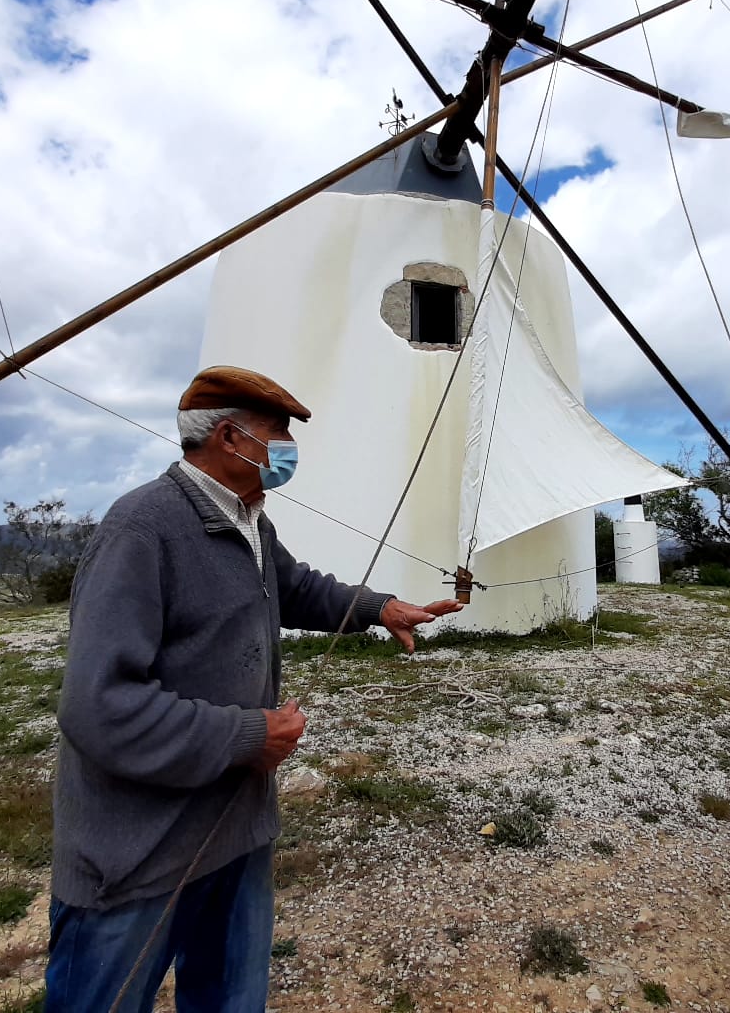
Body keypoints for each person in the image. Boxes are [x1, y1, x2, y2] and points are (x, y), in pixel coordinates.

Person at [46, 365, 461, 1013]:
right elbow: (98, 706)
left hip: (236, 836)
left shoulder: (250, 522)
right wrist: (246, 735)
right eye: (278, 433)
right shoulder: (142, 529)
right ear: (231, 438)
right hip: (135, 859)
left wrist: (381, 608)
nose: (289, 449)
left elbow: (295, 588)